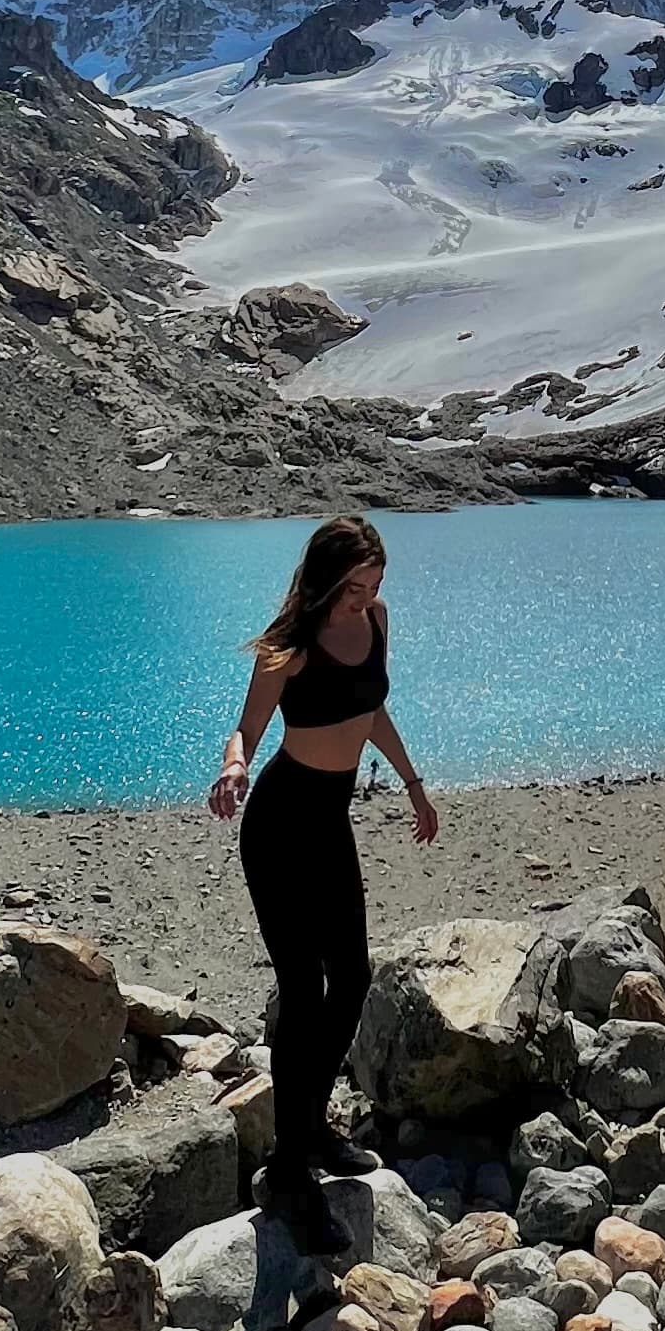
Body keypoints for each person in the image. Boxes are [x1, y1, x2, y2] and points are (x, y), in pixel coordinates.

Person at [210, 514, 437, 1250]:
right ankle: (288, 1168)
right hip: (278, 824)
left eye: (373, 587)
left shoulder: (375, 620)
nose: (364, 600)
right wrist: (233, 767)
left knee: (355, 977)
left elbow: (371, 710)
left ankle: (311, 1130)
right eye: (353, 588)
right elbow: (245, 729)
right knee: (303, 991)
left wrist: (413, 784)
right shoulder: (290, 646)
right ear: (325, 580)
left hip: (331, 821)